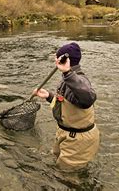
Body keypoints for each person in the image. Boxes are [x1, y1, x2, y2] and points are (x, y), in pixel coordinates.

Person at [33, 42, 99, 171]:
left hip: (78, 140)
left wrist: (68, 73)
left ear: (64, 60)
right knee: (56, 163)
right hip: (65, 133)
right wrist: (48, 96)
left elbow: (88, 99)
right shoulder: (67, 78)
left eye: (57, 58)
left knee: (67, 176)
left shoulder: (78, 79)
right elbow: (66, 104)